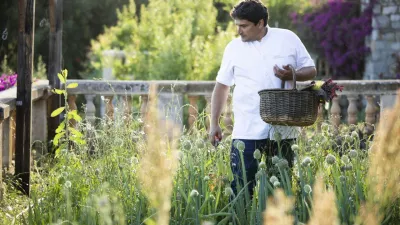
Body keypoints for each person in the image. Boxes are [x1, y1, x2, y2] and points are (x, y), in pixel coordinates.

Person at [208, 0, 317, 197]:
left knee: (280, 192)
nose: (239, 31)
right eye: (237, 26)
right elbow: (222, 86)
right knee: (241, 189)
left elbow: (311, 70)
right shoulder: (233, 48)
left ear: (260, 23)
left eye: (244, 26)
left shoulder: (288, 38)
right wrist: (214, 123)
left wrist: (291, 74)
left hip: (283, 129)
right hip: (246, 130)